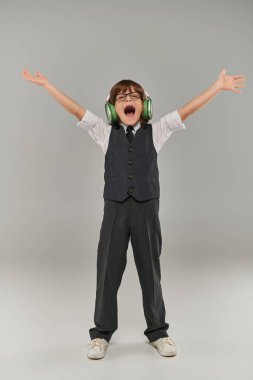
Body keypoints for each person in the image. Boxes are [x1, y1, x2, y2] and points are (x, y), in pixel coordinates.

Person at [22, 68, 246, 359]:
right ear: (113, 109)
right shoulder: (104, 132)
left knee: (150, 271)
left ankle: (158, 332)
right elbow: (75, 109)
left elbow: (187, 110)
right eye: (121, 97)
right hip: (114, 210)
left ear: (145, 105)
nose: (128, 100)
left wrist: (217, 86)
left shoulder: (159, 130)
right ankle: (101, 334)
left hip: (146, 210)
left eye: (135, 96)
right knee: (107, 271)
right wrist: (48, 86)